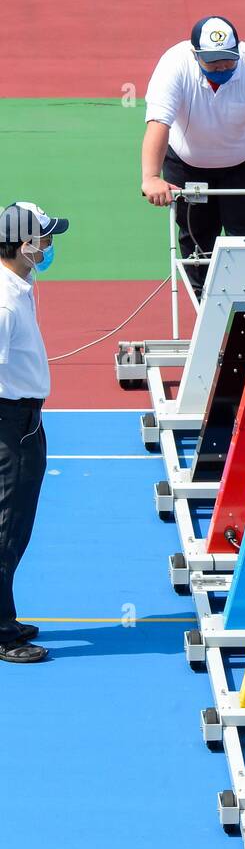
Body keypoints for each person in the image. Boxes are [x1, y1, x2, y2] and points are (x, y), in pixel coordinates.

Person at [141, 16, 245, 295]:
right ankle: (204, 315)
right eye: (213, 61)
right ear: (195, 55)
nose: (222, 66)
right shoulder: (174, 65)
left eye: (228, 59)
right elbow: (158, 122)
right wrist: (151, 177)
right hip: (189, 166)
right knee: (197, 244)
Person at [0, 202, 70, 664]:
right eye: (44, 239)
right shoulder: (4, 304)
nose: (48, 246)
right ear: (25, 245)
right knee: (7, 530)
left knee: (13, 528)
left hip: (23, 423)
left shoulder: (19, 286)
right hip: (11, 427)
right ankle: (3, 633)